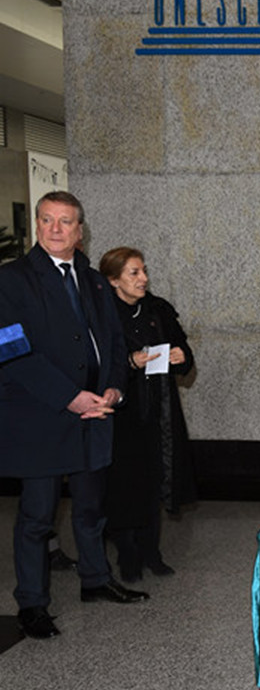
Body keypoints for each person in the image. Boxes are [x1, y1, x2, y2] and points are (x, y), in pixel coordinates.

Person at [0, 191, 148, 640]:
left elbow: (115, 343)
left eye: (66, 222)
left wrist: (114, 387)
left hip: (95, 412)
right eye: (47, 220)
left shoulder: (95, 280)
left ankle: (95, 580)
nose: (56, 229)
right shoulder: (11, 280)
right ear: (38, 225)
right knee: (37, 517)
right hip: (43, 414)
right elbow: (11, 351)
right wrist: (70, 397)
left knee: (89, 509)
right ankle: (32, 603)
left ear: (80, 230)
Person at [99, 247, 197, 583]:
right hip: (121, 416)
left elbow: (185, 357)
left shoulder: (157, 310)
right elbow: (94, 368)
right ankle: (127, 555)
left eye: (144, 271)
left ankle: (151, 552)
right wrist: (129, 364)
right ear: (113, 281)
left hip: (159, 411)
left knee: (156, 481)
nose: (143, 279)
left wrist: (182, 356)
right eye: (134, 273)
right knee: (125, 487)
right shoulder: (102, 316)